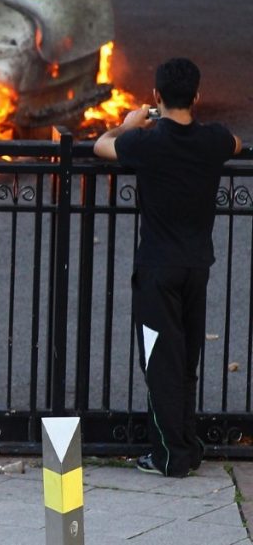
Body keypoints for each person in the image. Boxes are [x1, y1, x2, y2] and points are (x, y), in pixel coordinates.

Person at [93, 57, 241, 477]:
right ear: (197, 96)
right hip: (197, 267)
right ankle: (186, 445)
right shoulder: (212, 140)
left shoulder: (147, 143)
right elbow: (234, 143)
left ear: (156, 96)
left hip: (158, 269)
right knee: (186, 360)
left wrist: (129, 124)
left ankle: (169, 456)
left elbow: (101, 146)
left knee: (160, 362)